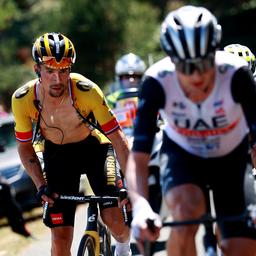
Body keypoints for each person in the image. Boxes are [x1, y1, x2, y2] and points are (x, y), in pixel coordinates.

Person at [125, 5, 256, 256]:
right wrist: (140, 205)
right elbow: (138, 156)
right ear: (171, 60)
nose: (196, 75)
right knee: (186, 212)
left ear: (214, 52)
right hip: (184, 156)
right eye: (185, 67)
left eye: (204, 62)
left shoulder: (236, 73)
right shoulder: (156, 81)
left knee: (241, 248)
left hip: (232, 161)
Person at [11, 32, 131, 256]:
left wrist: (132, 185)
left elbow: (117, 137)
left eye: (64, 71)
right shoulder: (23, 99)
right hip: (58, 157)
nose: (58, 80)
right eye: (50, 72)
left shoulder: (87, 91)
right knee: (60, 239)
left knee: (114, 221)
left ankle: (124, 247)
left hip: (95, 149)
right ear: (37, 70)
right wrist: (40, 185)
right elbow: (24, 146)